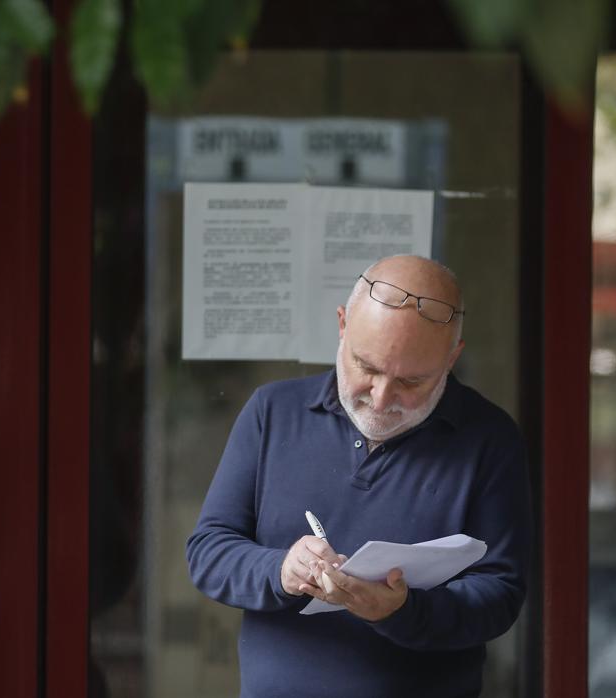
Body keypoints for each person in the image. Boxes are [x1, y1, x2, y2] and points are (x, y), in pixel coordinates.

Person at [186, 255, 531, 697]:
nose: (382, 397)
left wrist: (403, 609)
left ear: (452, 357)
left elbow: (500, 596)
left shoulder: (490, 439)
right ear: (342, 325)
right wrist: (282, 570)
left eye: (412, 381)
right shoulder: (272, 412)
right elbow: (209, 551)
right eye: (366, 367)